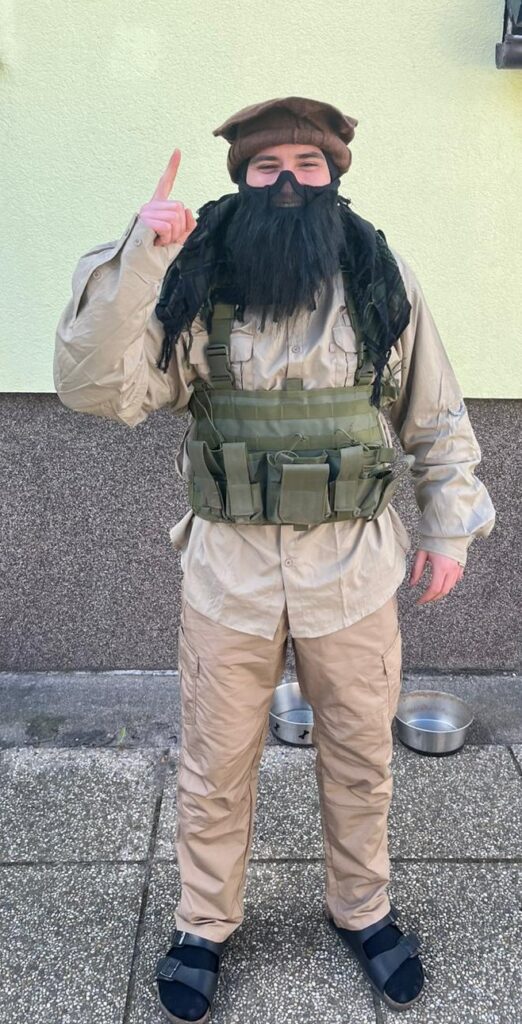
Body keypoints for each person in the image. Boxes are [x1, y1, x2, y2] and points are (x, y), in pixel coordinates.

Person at [54, 96, 496, 1021]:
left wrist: (449, 528)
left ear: (333, 177)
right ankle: (203, 924)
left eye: (307, 163)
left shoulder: (380, 276)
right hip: (230, 572)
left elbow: (437, 415)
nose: (287, 180)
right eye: (266, 166)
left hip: (353, 569)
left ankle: (362, 909)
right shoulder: (193, 273)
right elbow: (97, 391)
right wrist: (138, 255)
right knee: (215, 764)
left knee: (361, 756)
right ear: (243, 180)